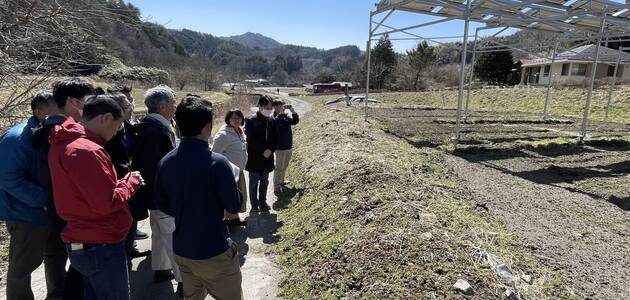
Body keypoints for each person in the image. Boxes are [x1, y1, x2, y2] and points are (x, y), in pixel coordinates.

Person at [48, 95, 144, 299]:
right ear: (106, 118)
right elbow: (105, 203)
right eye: (117, 125)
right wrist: (131, 183)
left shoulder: (65, 143)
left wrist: (121, 183)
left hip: (83, 238)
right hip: (101, 242)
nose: (116, 132)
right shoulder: (86, 150)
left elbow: (87, 193)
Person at [155, 96, 243, 300]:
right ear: (207, 127)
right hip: (214, 250)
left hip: (183, 250)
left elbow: (162, 204)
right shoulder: (218, 163)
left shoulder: (166, 161)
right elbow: (233, 205)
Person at [31, 78, 95, 300]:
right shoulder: (60, 133)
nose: (90, 105)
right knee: (80, 261)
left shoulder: (48, 129)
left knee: (66, 258)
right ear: (70, 101)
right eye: (87, 100)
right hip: (68, 212)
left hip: (57, 208)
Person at [0, 92, 62, 300]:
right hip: (25, 213)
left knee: (54, 254)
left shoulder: (49, 133)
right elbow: (7, 178)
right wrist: (44, 199)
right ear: (39, 111)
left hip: (48, 209)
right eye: (56, 109)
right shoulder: (18, 138)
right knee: (23, 266)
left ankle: (57, 294)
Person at [131, 85, 183, 290]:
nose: (175, 105)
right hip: (162, 194)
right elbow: (152, 167)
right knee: (172, 235)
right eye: (172, 102)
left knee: (160, 232)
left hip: (156, 194)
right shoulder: (154, 130)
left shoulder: (155, 125)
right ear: (162, 106)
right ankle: (183, 282)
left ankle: (161, 269)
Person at [104, 93, 150, 264]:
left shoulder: (128, 127)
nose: (131, 106)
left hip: (132, 180)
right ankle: (123, 257)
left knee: (132, 218)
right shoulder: (108, 134)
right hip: (119, 183)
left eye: (130, 103)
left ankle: (129, 249)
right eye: (126, 104)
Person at [212, 109, 248, 226]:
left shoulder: (240, 132)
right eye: (233, 118)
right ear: (228, 119)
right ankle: (227, 221)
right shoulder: (224, 135)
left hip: (239, 170)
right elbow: (215, 153)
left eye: (239, 118)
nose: (237, 120)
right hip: (229, 172)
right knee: (229, 196)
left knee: (238, 195)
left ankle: (234, 218)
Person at [245, 96, 276, 213]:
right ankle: (254, 204)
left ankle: (263, 202)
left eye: (270, 108)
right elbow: (250, 139)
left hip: (267, 158)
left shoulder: (272, 120)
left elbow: (276, 138)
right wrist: (263, 150)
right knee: (253, 182)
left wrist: (271, 149)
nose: (269, 110)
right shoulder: (251, 120)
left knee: (265, 181)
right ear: (260, 107)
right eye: (266, 107)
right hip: (254, 157)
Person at [271, 100, 299, 193]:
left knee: (285, 166)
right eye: (279, 106)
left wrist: (293, 111)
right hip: (280, 147)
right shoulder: (273, 117)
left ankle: (281, 182)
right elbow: (276, 124)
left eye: (282, 106)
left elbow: (294, 121)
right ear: (275, 107)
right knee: (279, 167)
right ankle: (276, 186)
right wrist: (282, 114)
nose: (281, 108)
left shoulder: (285, 116)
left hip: (288, 145)